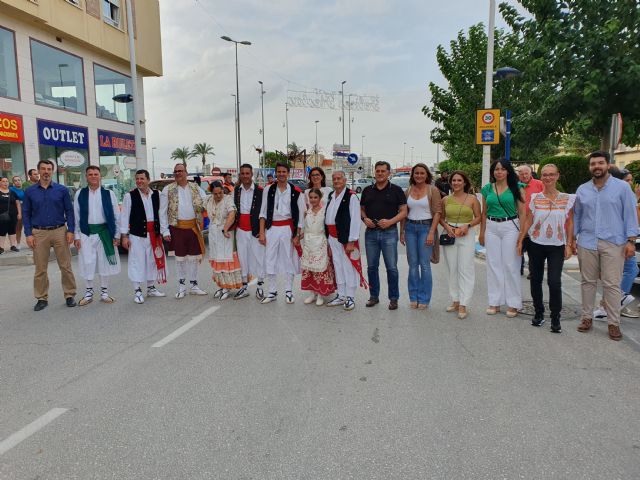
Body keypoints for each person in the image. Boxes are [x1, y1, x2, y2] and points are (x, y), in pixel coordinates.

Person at [572, 151, 638, 341]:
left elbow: (630, 215)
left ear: (608, 165)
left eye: (600, 163)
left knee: (611, 284)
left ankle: (613, 323)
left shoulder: (622, 188)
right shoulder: (582, 189)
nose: (597, 167)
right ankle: (586, 318)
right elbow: (577, 216)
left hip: (614, 242)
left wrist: (631, 241)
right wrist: (572, 240)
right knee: (588, 282)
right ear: (589, 167)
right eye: (593, 164)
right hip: (587, 241)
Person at [517, 164, 574, 333]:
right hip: (536, 243)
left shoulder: (567, 198)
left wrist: (570, 244)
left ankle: (555, 317)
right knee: (535, 279)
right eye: (544, 175)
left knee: (554, 282)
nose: (548, 178)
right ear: (541, 177)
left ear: (557, 176)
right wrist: (521, 240)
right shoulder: (535, 197)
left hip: (557, 245)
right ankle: (539, 312)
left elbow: (570, 222)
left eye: (551, 175)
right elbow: (528, 220)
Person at [22, 159, 77, 311]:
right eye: (43, 169)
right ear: (38, 171)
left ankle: (69, 294)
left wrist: (71, 230)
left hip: (60, 231)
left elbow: (69, 211)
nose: (46, 171)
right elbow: (26, 213)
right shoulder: (30, 192)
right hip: (39, 233)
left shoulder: (62, 190)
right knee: (40, 268)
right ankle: (41, 297)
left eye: (49, 169)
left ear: (52, 171)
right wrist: (28, 234)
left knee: (65, 266)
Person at [479, 158, 526, 318]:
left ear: (508, 171)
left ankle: (514, 303)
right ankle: (495, 301)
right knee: (493, 264)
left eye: (502, 169)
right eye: (496, 169)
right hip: (492, 227)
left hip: (510, 227)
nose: (499, 172)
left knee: (510, 264)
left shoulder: (517, 188)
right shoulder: (487, 189)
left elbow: (523, 213)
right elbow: (484, 212)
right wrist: (482, 232)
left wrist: (521, 237)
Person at [360, 160, 407, 310]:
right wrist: (364, 219)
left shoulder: (397, 190)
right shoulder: (367, 190)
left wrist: (390, 221)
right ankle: (374, 296)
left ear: (389, 173)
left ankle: (393, 298)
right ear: (375, 172)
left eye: (383, 171)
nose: (380, 173)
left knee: (391, 268)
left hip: (389, 233)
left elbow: (404, 212)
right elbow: (361, 209)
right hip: (371, 234)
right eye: (377, 171)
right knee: (372, 267)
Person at [258, 162, 306, 304]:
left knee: (288, 259)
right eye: (278, 171)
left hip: (287, 228)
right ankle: (272, 291)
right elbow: (263, 212)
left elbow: (301, 216)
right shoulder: (268, 189)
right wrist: (262, 232)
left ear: (288, 173)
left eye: (284, 171)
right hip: (272, 228)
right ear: (275, 173)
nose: (281, 174)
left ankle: (289, 291)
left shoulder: (296, 191)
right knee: (270, 258)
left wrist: (297, 234)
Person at [73, 166, 121, 306]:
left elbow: (116, 215)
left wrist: (116, 235)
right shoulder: (80, 194)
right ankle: (89, 292)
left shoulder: (108, 194)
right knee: (87, 262)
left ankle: (104, 292)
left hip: (104, 233)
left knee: (103, 262)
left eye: (96, 174)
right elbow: (76, 216)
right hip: (86, 233)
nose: (93, 176)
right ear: (86, 177)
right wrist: (76, 236)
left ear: (100, 176)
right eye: (90, 174)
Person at [160, 163, 208, 299]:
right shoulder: (167, 189)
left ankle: (193, 285)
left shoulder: (196, 187)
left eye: (181, 171)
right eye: (175, 171)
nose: (178, 173)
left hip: (193, 227)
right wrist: (165, 231)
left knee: (193, 258)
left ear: (186, 172)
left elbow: (206, 202)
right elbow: (162, 212)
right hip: (177, 228)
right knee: (180, 259)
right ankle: (181, 286)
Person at [120, 169, 167, 304]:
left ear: (148, 180)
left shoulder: (156, 194)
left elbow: (161, 214)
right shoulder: (130, 196)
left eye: (142, 178)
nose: (139, 181)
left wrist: (164, 231)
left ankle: (151, 288)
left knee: (152, 261)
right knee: (137, 262)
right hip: (137, 235)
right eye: (137, 179)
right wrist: (124, 236)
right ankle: (137, 291)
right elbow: (124, 217)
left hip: (154, 234)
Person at [439, 170, 481, 319]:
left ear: (465, 183)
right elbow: (441, 218)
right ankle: (455, 300)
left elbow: (479, 217)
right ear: (451, 183)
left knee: (466, 269)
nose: (456, 183)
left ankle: (464, 303)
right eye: (454, 180)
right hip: (449, 234)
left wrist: (467, 226)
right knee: (452, 269)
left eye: (459, 180)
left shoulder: (472, 199)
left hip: (466, 235)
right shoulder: (445, 200)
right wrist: (448, 228)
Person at [399, 163, 442, 310]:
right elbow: (404, 212)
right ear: (413, 175)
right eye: (416, 173)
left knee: (424, 265)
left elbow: (437, 212)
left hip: (426, 228)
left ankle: (424, 298)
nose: (419, 176)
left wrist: (431, 232)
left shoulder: (433, 190)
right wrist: (402, 231)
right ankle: (413, 296)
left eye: (422, 173)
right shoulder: (408, 190)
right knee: (412, 265)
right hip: (410, 228)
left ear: (427, 175)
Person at [325, 171, 367, 311]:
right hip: (332, 237)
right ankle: (341, 295)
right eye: (334, 178)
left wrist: (351, 241)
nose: (336, 181)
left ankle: (350, 297)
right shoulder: (332, 195)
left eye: (339, 178)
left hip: (345, 239)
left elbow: (355, 220)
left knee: (348, 267)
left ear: (345, 180)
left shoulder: (351, 197)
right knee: (338, 265)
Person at [205, 181, 243, 300]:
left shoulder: (228, 199)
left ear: (223, 190)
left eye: (220, 193)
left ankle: (227, 287)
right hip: (213, 233)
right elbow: (198, 208)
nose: (218, 196)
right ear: (211, 193)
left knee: (225, 261)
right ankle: (221, 286)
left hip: (225, 233)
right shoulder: (208, 199)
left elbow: (232, 213)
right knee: (217, 260)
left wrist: (226, 228)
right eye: (215, 194)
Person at [232, 163, 265, 300]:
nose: (245, 176)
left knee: (259, 258)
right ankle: (244, 286)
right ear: (240, 175)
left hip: (255, 230)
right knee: (243, 258)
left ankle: (260, 287)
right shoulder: (236, 190)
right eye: (243, 173)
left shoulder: (260, 191)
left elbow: (263, 213)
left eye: (247, 173)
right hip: (241, 230)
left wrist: (262, 231)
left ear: (252, 175)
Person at [300, 188, 336, 305]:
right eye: (311, 197)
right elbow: (303, 228)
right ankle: (312, 293)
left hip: (320, 242)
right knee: (309, 268)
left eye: (315, 197)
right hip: (308, 243)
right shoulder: (307, 212)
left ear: (320, 198)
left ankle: (320, 294)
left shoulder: (324, 211)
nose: (313, 200)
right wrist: (298, 237)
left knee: (320, 268)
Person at [517, 165, 544, 277]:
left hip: (535, 221)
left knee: (533, 249)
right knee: (519, 245)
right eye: (521, 174)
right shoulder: (516, 186)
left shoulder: (539, 184)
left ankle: (533, 272)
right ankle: (519, 269)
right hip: (519, 221)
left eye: (526, 173)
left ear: (531, 173)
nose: (524, 176)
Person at [0, 177, 21, 254]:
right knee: (2, 231)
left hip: (13, 215)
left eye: (6, 181)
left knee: (12, 230)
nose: (5, 183)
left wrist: (19, 213)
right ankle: (1, 248)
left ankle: (13, 246)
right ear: (0, 183)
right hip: (1, 216)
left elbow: (18, 203)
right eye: (3, 181)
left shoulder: (12, 192)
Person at [9, 176, 25, 247]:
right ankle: (17, 244)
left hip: (25, 210)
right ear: (13, 183)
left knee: (30, 228)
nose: (17, 181)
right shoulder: (11, 189)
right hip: (16, 211)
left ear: (21, 181)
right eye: (15, 181)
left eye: (19, 180)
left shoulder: (24, 190)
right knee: (18, 228)